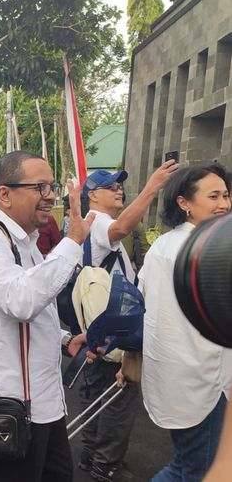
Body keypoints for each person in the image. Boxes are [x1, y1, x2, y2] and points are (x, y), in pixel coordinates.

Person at [0, 151, 94, 481]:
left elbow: (36, 309)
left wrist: (65, 340)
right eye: (40, 187)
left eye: (51, 186)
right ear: (5, 194)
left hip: (44, 402)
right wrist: (73, 240)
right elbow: (19, 300)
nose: (49, 196)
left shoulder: (26, 240)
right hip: (10, 406)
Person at [78, 162, 178, 481]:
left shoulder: (94, 220)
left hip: (105, 322)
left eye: (120, 185)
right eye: (112, 186)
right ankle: (106, 465)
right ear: (93, 195)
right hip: (115, 325)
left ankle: (91, 454)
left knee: (99, 389)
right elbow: (119, 230)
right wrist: (153, 187)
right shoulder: (97, 222)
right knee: (120, 397)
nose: (119, 189)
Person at [138, 163, 231, 482]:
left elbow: (146, 300)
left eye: (227, 195)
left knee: (186, 462)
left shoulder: (162, 246)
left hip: (175, 375)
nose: (224, 204)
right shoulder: (213, 250)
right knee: (196, 470)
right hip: (205, 378)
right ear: (184, 203)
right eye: (214, 196)